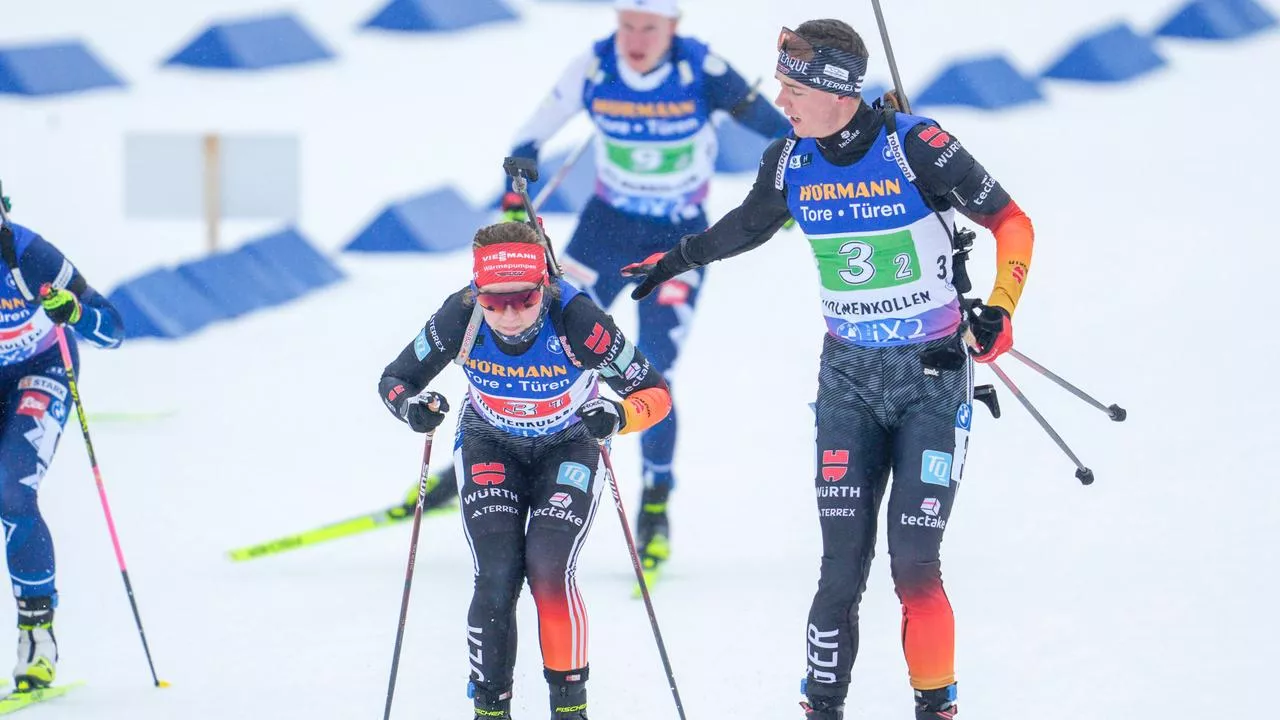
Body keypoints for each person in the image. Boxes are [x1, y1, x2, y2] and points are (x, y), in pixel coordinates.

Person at [622, 19, 1035, 720]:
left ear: (837, 90)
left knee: (912, 563)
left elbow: (1014, 223)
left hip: (930, 378)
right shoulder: (790, 161)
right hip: (846, 378)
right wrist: (678, 258)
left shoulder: (917, 147)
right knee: (840, 568)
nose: (779, 101)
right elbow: (748, 226)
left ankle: (936, 708)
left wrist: (999, 308)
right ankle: (822, 707)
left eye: (791, 88)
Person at [481, 0, 793, 582]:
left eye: (649, 27)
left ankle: (655, 501)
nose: (635, 38)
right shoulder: (595, 67)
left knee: (652, 373)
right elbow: (530, 134)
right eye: (627, 24)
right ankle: (500, 455)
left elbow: (783, 130)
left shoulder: (702, 68)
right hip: (606, 227)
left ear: (674, 27)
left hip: (676, 236)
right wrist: (519, 178)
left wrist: (796, 189)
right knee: (540, 342)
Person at [378, 220, 672, 720]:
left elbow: (656, 394)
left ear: (545, 287)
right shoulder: (460, 317)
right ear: (477, 292)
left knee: (549, 570)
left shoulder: (577, 318)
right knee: (496, 574)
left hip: (570, 445)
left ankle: (569, 710)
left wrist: (621, 416)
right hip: (490, 442)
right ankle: (490, 709)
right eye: (494, 301)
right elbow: (395, 379)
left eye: (524, 299)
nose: (510, 315)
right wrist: (413, 408)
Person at [0, 186, 125, 692]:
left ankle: (37, 635)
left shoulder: (28, 254)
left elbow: (113, 328)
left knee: (11, 490)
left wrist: (73, 313)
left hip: (40, 370)